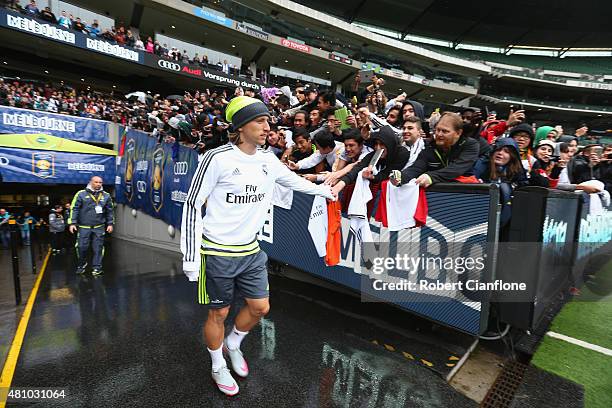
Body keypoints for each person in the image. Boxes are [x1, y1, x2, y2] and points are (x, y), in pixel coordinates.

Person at [180, 96, 336, 396]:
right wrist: (190, 256)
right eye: (260, 121)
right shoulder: (217, 159)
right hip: (217, 253)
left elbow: (291, 180)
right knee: (218, 315)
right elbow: (192, 204)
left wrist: (323, 191)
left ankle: (234, 344)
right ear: (240, 127)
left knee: (260, 307)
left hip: (251, 251)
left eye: (268, 120)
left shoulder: (267, 159)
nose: (268, 127)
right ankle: (217, 364)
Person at [392, 112, 479, 187]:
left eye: (445, 131)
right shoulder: (430, 145)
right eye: (437, 130)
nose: (439, 134)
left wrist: (431, 177)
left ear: (458, 133)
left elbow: (456, 169)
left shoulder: (470, 145)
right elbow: (417, 167)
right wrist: (401, 177)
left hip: (464, 195)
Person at [473, 138, 528, 227]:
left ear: (512, 157)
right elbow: (474, 175)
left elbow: (524, 183)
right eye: (498, 149)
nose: (500, 153)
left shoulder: (514, 173)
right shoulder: (483, 166)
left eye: (506, 151)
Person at [68, 176, 114, 275]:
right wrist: (72, 223)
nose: (98, 184)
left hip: (99, 227)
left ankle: (97, 267)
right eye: (96, 182)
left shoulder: (106, 196)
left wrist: (110, 223)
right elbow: (74, 208)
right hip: (84, 227)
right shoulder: (81, 194)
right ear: (91, 182)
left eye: (100, 182)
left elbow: (110, 211)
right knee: (81, 247)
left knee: (98, 248)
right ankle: (82, 264)